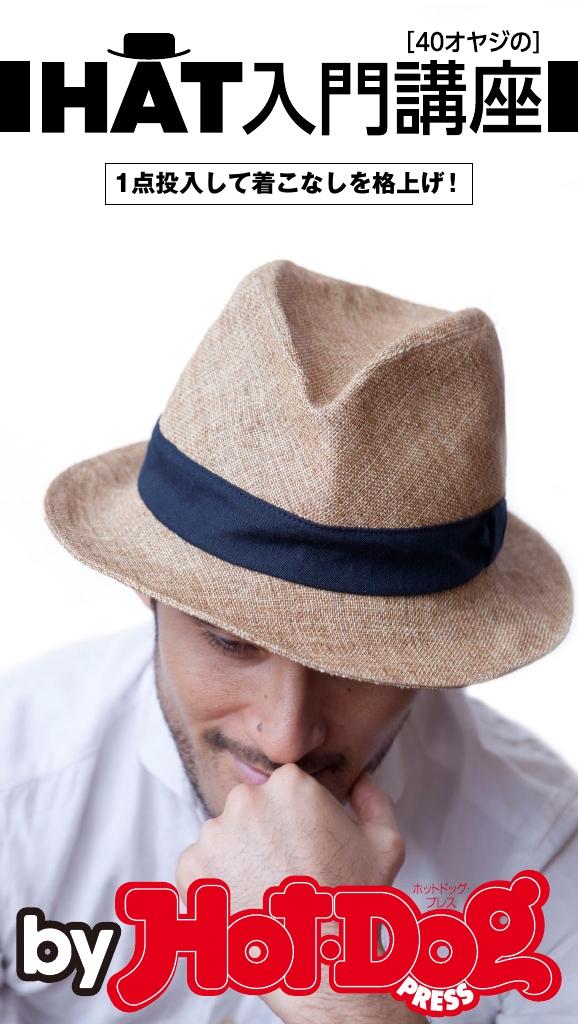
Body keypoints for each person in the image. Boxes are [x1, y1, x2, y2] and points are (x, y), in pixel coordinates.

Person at [1, 260, 576, 1023]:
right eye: (231, 643)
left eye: (358, 664)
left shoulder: (540, 853)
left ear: (444, 657)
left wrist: (335, 978)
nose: (286, 736)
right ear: (147, 590)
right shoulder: (16, 779)